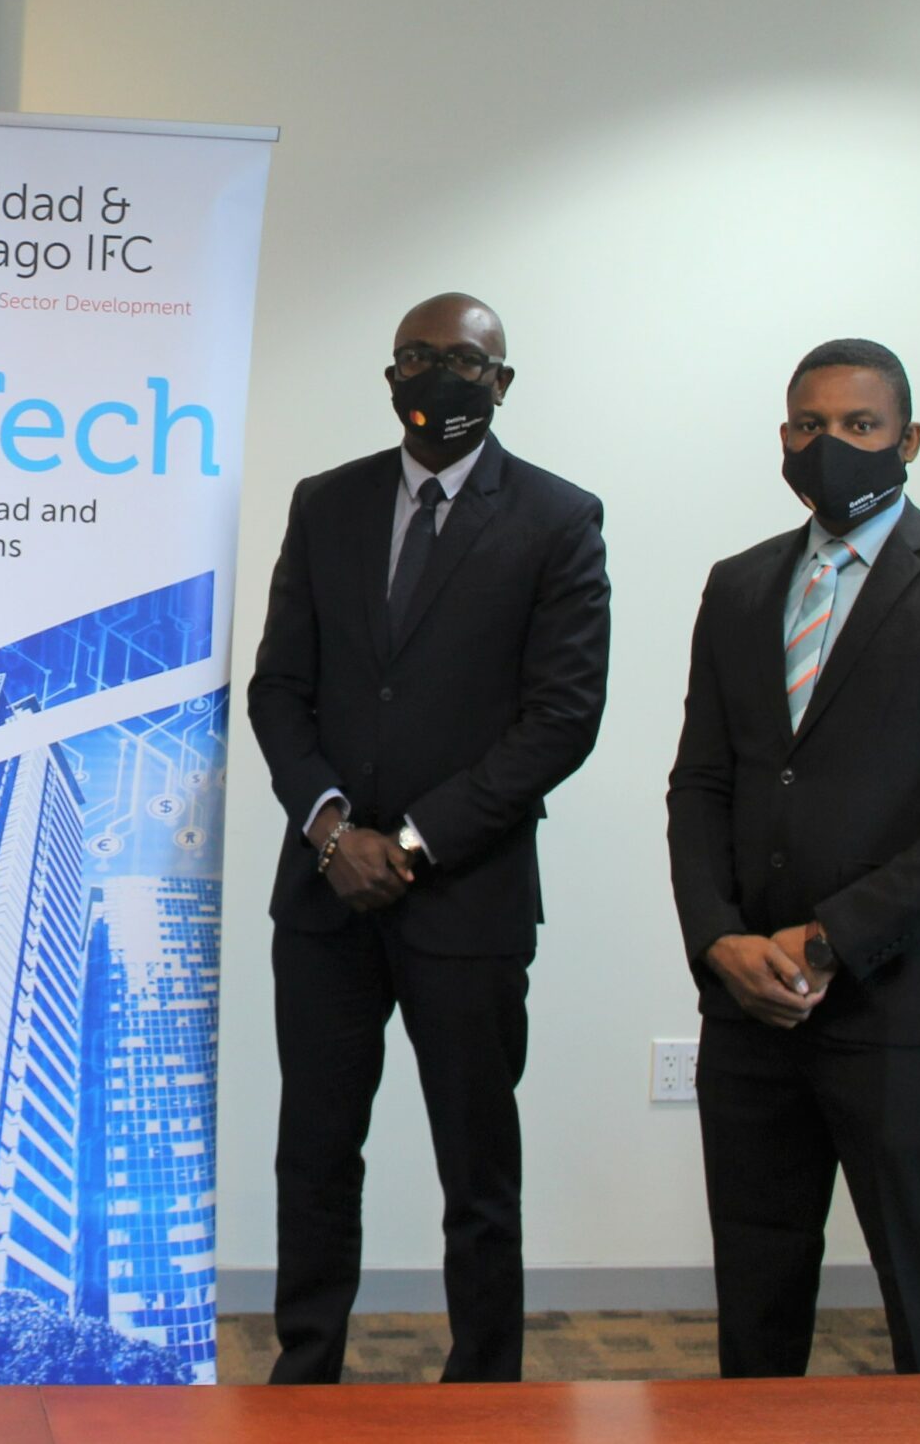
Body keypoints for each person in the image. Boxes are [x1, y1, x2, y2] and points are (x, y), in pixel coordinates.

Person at [249, 292, 610, 1384]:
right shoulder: (328, 503)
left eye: (462, 360)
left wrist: (408, 840)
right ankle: (305, 1376)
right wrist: (330, 831)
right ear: (389, 375)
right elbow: (278, 689)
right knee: (315, 1156)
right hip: (324, 898)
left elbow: (562, 718)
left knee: (477, 1170)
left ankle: (484, 1389)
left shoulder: (557, 517)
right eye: (415, 356)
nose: (436, 376)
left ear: (502, 383)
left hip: (467, 897)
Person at [668, 338, 920, 1377]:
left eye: (859, 425)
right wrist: (718, 940)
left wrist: (830, 940)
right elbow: (700, 784)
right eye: (809, 424)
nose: (829, 443)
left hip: (898, 1003)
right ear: (782, 436)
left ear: (907, 440)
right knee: (756, 1307)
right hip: (749, 1008)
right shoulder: (739, 585)